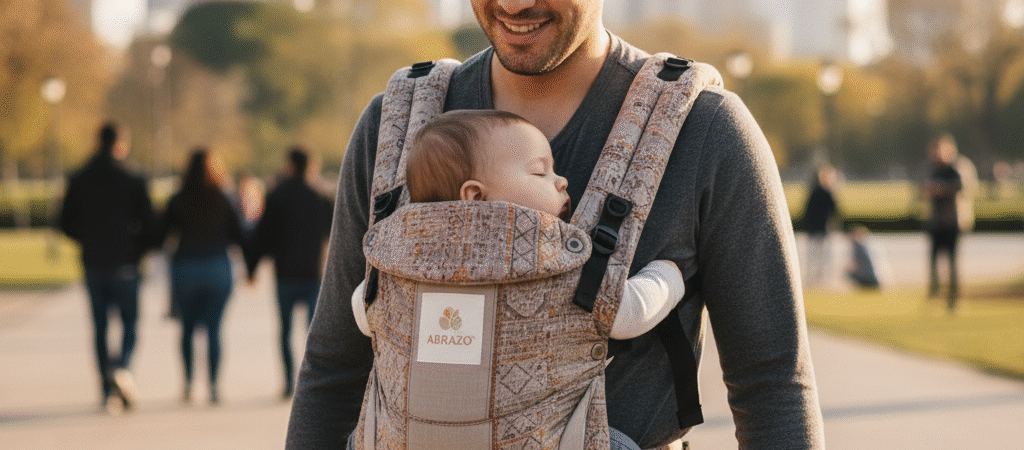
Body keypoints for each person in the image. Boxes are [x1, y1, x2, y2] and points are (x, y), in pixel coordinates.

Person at [287, 2, 825, 449]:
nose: (516, 4)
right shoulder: (396, 128)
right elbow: (334, 373)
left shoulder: (705, 131)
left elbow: (773, 385)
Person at [349, 110, 686, 449]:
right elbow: (628, 313)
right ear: (476, 198)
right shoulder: (555, 263)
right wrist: (668, 275)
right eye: (540, 171)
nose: (561, 181)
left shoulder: (396, 268)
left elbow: (363, 313)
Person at [58, 121, 156, 412]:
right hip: (125, 261)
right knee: (130, 323)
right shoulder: (133, 178)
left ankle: (106, 387)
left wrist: (86, 239)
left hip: (94, 262)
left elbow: (65, 222)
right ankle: (122, 367)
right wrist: (138, 248)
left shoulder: (80, 178)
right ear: (120, 144)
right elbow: (150, 224)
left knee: (100, 326)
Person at [159, 148, 247, 405]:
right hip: (216, 266)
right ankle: (214, 386)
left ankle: (187, 384)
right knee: (214, 329)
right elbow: (239, 235)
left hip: (185, 267)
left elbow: (161, 233)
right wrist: (251, 266)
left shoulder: (178, 199)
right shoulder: (222, 198)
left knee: (186, 329)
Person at [246, 146, 334, 399]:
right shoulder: (322, 196)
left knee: (284, 331)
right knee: (314, 333)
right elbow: (337, 237)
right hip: (314, 274)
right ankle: (313, 382)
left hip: (284, 274)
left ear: (289, 165)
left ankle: (287, 382)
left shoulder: (277, 196)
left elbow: (262, 235)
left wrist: (252, 268)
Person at [922, 133, 969, 312]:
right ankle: (935, 293)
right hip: (936, 223)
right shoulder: (933, 170)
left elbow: (963, 187)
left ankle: (953, 298)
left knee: (952, 263)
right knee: (933, 261)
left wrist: (941, 190)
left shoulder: (956, 168)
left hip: (952, 222)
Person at [801, 164, 840, 287]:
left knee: (817, 254)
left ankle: (817, 276)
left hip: (816, 227)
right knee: (820, 254)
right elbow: (834, 211)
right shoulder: (826, 193)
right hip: (820, 227)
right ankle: (819, 276)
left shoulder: (816, 192)